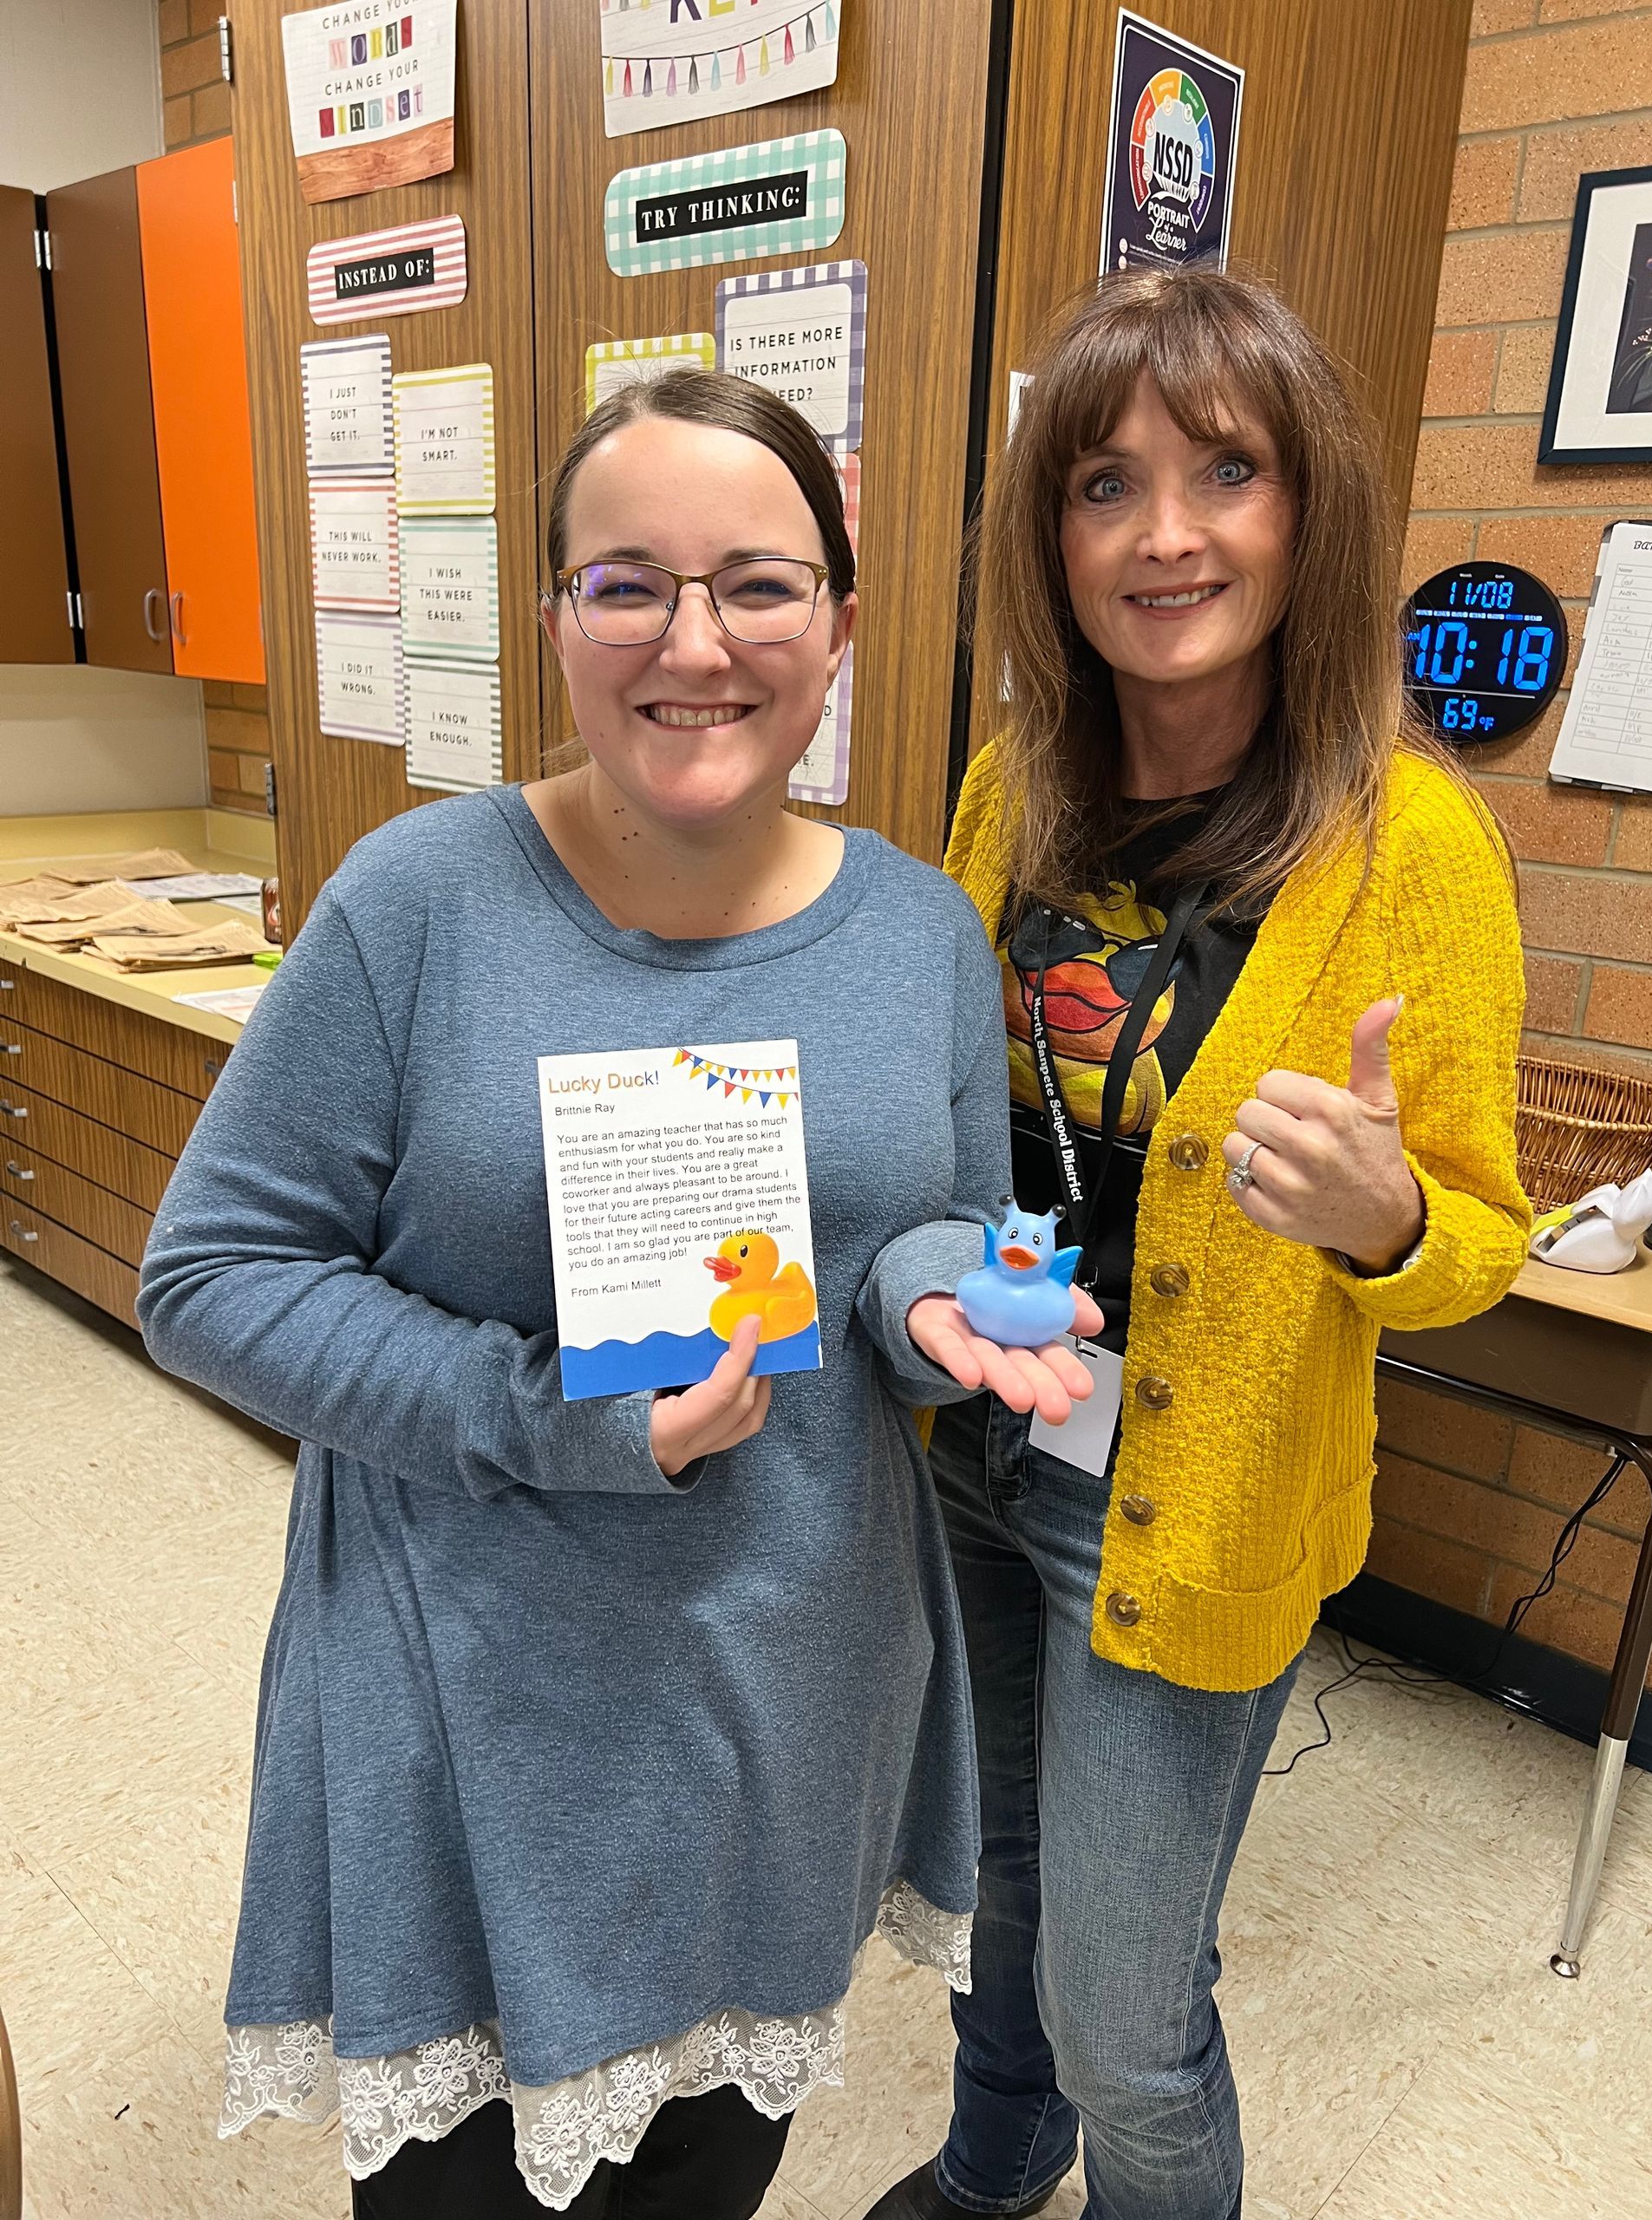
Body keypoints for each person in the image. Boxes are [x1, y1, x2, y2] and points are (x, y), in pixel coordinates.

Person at [136, 369, 1098, 2218]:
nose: (696, 641)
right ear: (556, 617)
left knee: (701, 2178)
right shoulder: (417, 904)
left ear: (838, 622)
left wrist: (929, 1309)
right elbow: (212, 1275)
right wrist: (547, 1408)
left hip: (785, 1689)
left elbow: (917, 1227)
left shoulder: (916, 929)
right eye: (628, 583)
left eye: (758, 583)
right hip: (473, 1692)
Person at [865, 269, 1531, 2220]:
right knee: (998, 1889)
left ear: (1305, 508)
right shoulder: (1016, 782)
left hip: (1193, 1486)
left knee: (1125, 2004)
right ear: (1046, 535)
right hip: (979, 1433)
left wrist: (1386, 1218)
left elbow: (1485, 1229)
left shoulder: (1412, 843)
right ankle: (996, 2164)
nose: (1165, 532)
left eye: (1225, 470)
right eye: (1104, 484)